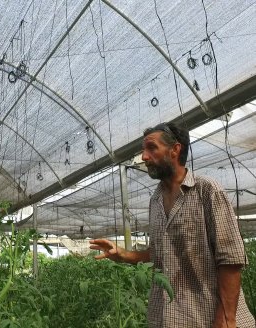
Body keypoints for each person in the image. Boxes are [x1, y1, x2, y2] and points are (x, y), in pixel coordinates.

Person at [90, 122, 255, 327]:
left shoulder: (206, 191)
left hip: (206, 317)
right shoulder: (155, 200)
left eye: (151, 148)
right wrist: (124, 255)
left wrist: (226, 319)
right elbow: (160, 253)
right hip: (168, 318)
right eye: (144, 150)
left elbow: (230, 258)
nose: (144, 157)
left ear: (175, 150)